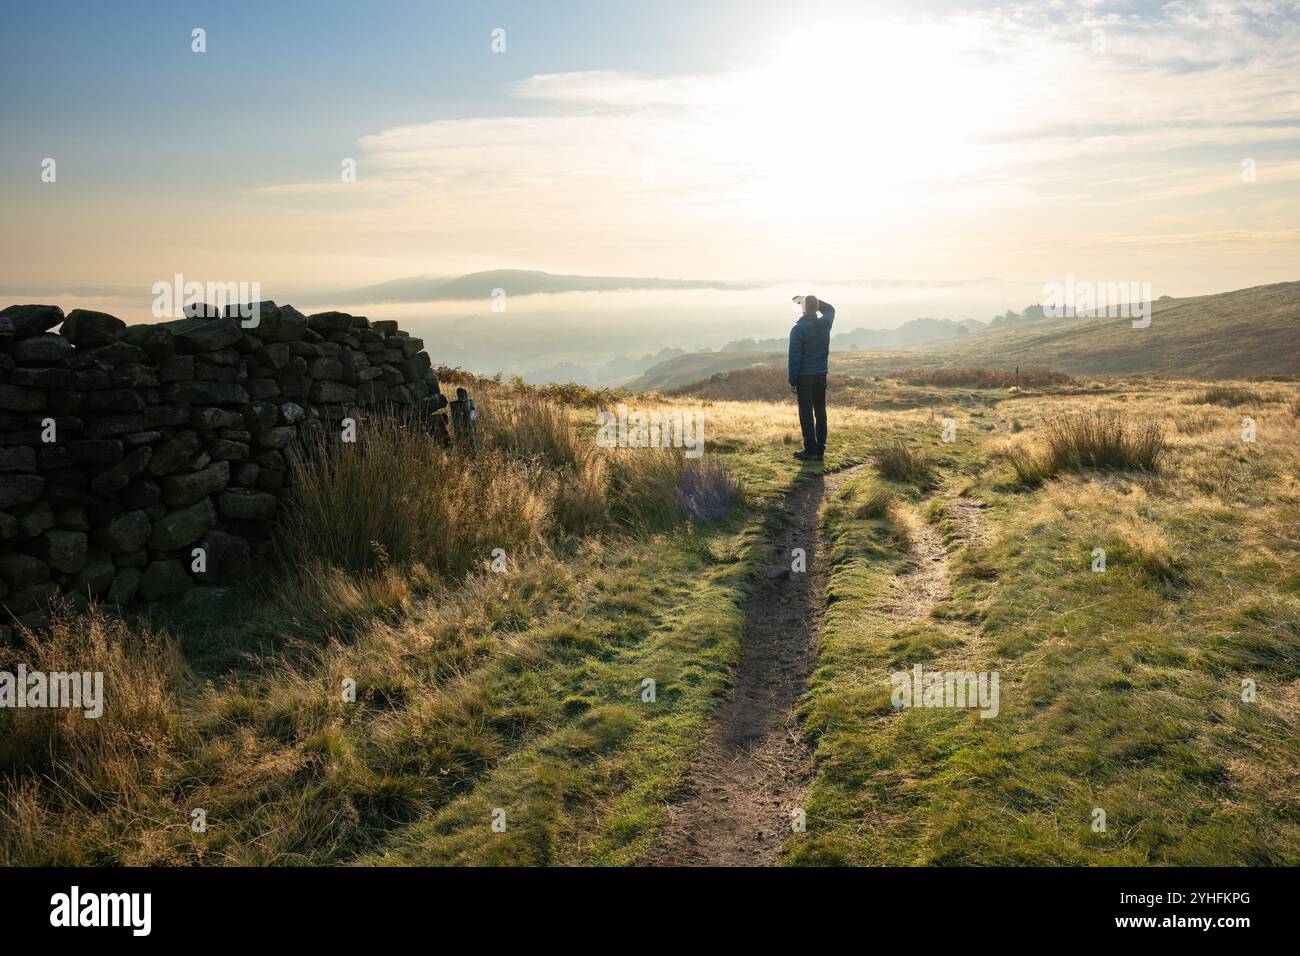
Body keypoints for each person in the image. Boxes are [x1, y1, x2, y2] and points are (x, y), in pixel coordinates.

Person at [788, 294, 834, 461]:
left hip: (804, 378)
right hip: (820, 375)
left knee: (806, 413)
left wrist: (793, 381)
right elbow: (830, 309)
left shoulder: (798, 330)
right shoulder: (825, 323)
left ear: (804, 309)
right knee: (820, 412)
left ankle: (810, 450)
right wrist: (811, 301)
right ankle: (820, 451)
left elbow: (795, 358)